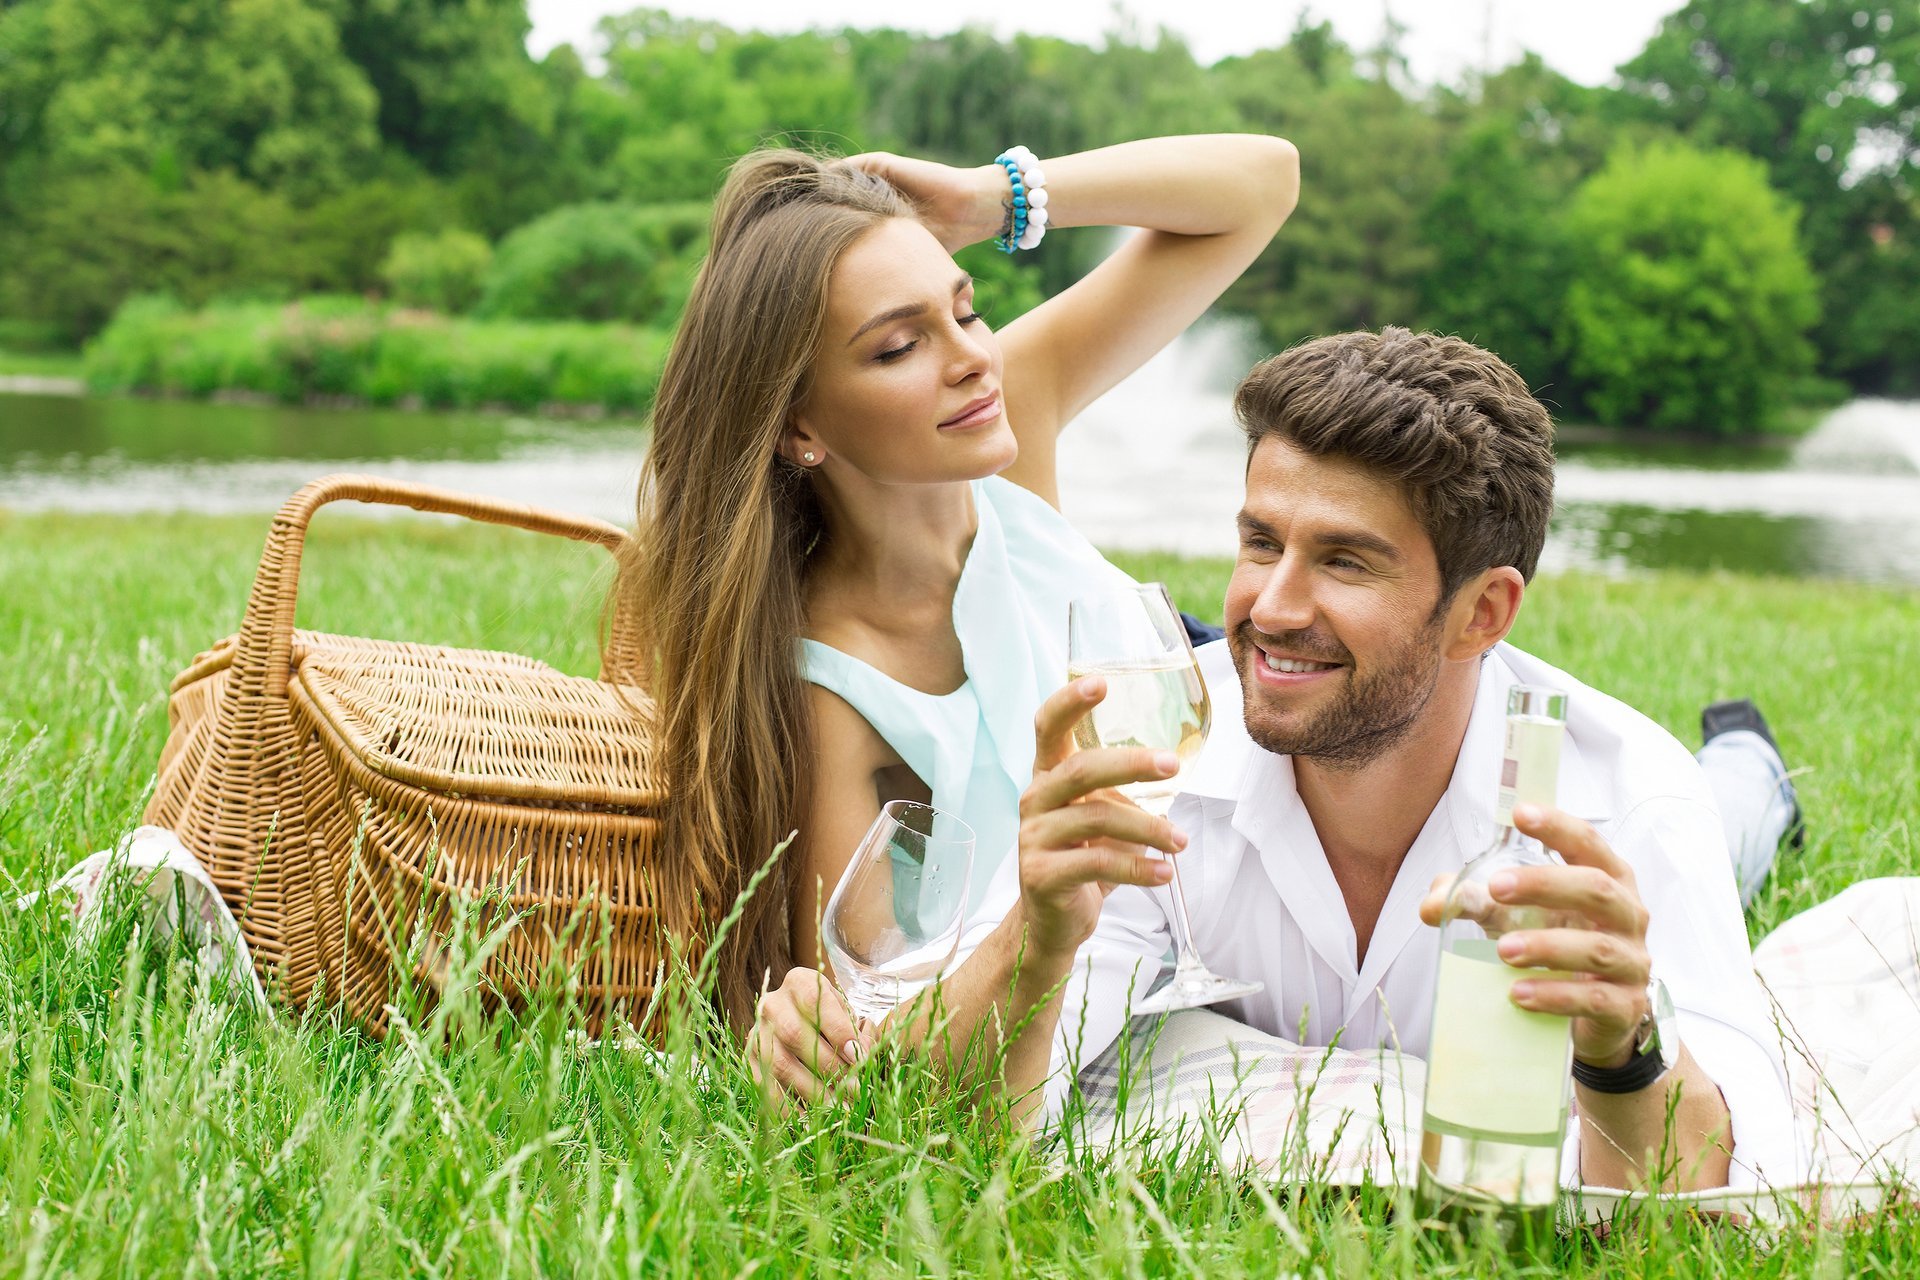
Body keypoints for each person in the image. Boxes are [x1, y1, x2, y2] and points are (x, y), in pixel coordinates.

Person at [777, 328, 1802, 1193]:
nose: (1268, 608)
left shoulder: (1627, 804)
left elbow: (1727, 1188)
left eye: (1345, 559)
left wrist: (1625, 1041)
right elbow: (930, 1122)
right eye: (1262, 541)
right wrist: (1031, 941)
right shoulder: (1160, 758)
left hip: (1685, 793)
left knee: (1734, 814)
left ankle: (1753, 762)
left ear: (1481, 612)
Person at [604, 135, 1302, 1064]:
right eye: (900, 345)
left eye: (965, 313)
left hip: (1265, 762)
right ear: (800, 425)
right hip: (1156, 937)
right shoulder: (834, 688)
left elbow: (1262, 183)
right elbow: (866, 1021)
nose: (972, 359)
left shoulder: (1016, 423)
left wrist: (994, 199)